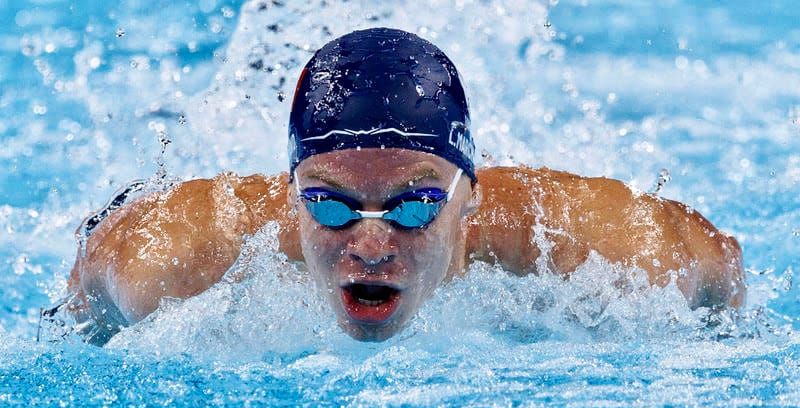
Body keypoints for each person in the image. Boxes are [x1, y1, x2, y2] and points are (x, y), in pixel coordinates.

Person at [58, 27, 745, 345]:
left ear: (469, 198)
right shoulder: (174, 256)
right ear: (292, 194)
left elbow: (721, 267)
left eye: (417, 205)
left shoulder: (602, 248)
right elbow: (83, 291)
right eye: (329, 203)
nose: (372, 244)